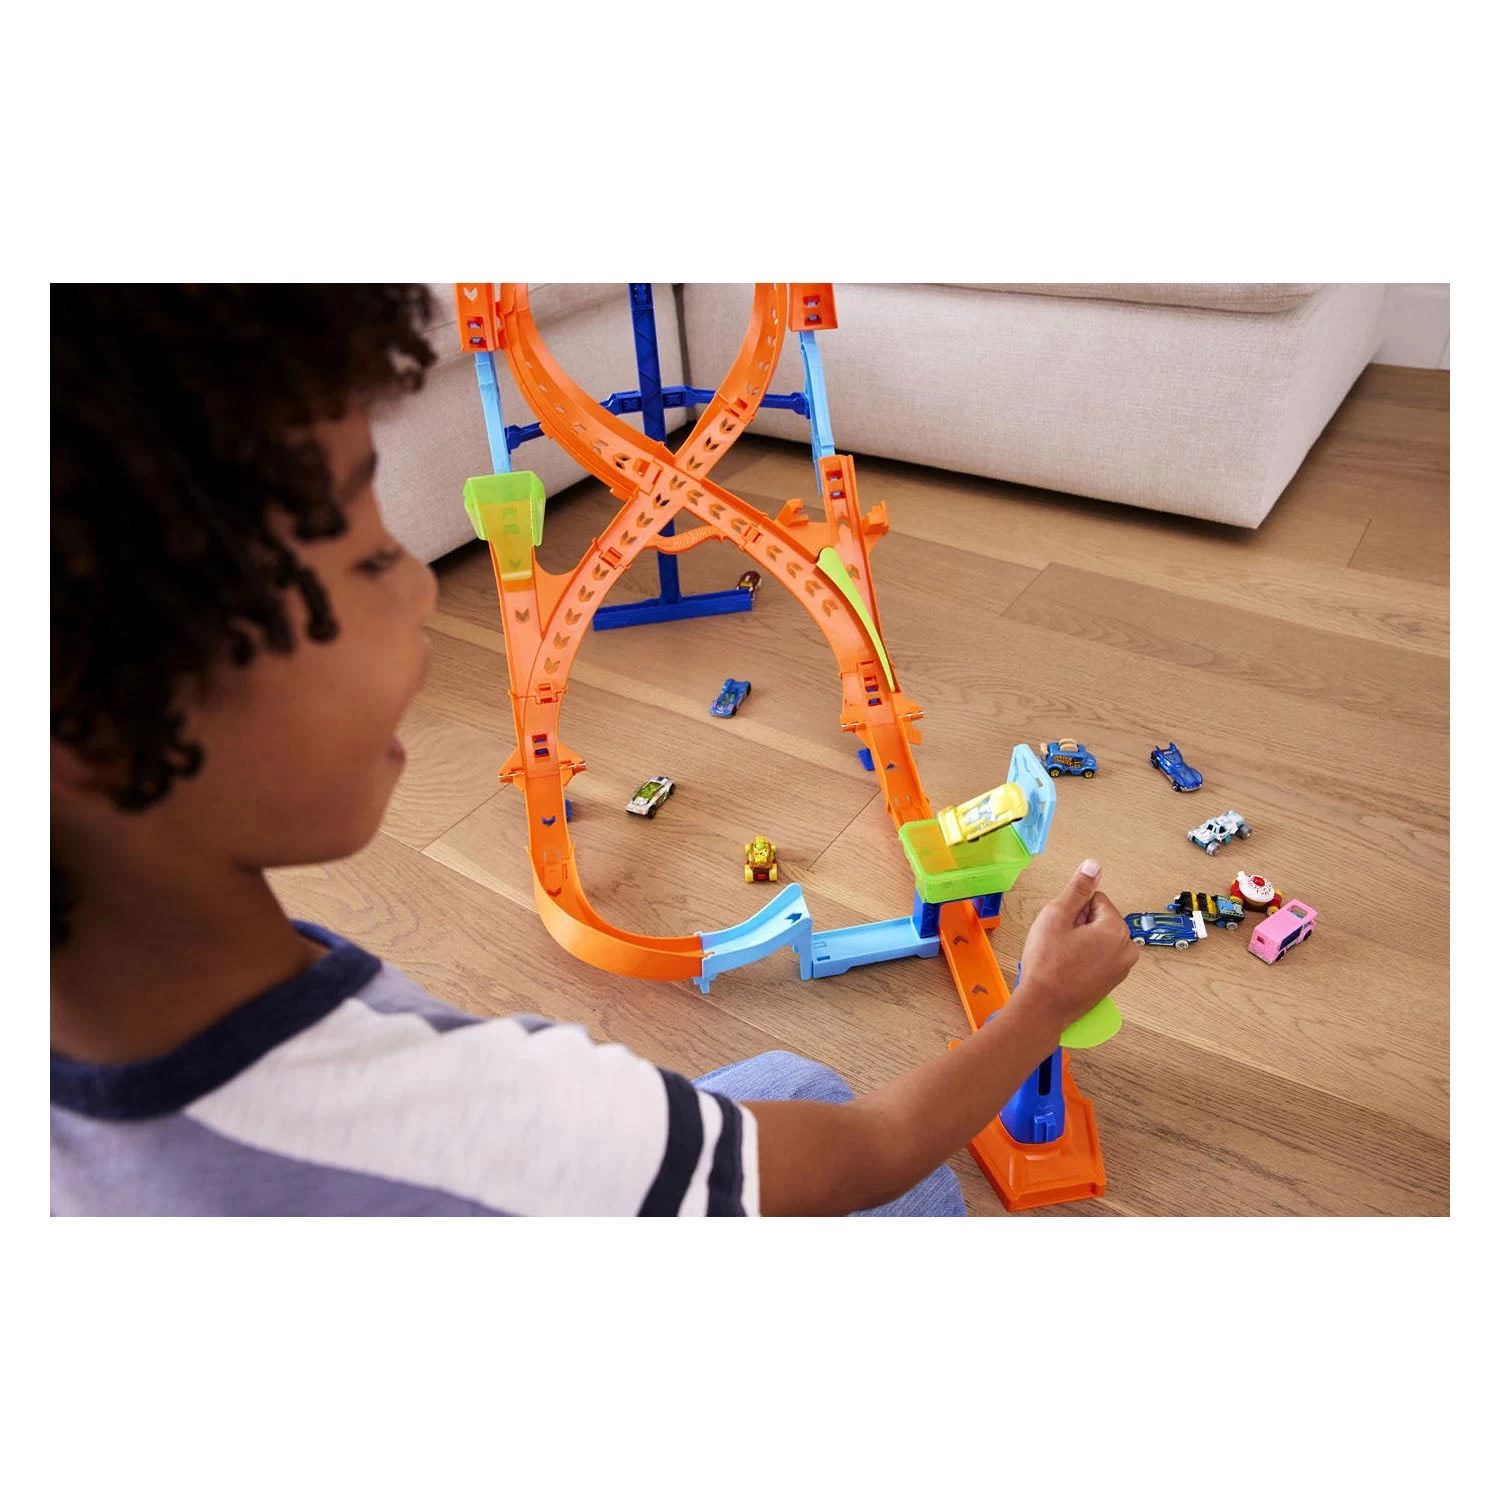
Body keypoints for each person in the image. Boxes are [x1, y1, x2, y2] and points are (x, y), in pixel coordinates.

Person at [50, 284, 1138, 1217]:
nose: (425, 586)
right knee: (881, 1160)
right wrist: (1041, 1004)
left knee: (791, 1085)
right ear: (87, 729)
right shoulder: (491, 1113)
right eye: (368, 556)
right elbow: (872, 1156)